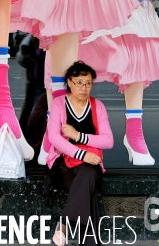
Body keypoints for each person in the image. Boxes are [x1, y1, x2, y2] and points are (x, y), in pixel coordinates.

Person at [45, 62, 113, 246]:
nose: (84, 88)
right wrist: (82, 154)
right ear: (69, 82)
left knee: (89, 173)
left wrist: (78, 136)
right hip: (64, 165)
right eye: (79, 82)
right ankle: (90, 242)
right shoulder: (59, 103)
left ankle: (63, 226)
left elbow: (108, 141)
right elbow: (54, 138)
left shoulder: (97, 106)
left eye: (88, 83)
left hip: (89, 165)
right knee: (87, 183)